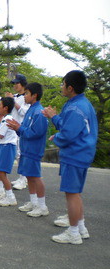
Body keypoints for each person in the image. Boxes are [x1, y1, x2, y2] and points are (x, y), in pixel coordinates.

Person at [43, 70, 98, 245]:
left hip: (75, 154)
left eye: (63, 84)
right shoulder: (81, 103)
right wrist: (54, 117)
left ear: (70, 87)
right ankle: (80, 227)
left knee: (72, 194)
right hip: (82, 153)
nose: (62, 86)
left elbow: (67, 134)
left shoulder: (75, 107)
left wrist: (56, 138)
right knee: (76, 193)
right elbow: (67, 125)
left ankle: (73, 233)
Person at [7, 82, 49, 217]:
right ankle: (33, 202)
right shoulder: (31, 109)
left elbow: (36, 133)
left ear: (34, 95)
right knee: (30, 177)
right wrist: (17, 127)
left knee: (36, 177)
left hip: (33, 150)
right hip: (26, 148)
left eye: (26, 93)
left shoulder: (39, 112)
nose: (24, 96)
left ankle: (42, 206)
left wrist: (19, 128)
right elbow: (25, 129)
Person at [5, 74, 30, 190]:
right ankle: (21, 177)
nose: (15, 85)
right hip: (12, 128)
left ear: (23, 84)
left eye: (17, 83)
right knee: (17, 154)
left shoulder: (27, 97)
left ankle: (24, 179)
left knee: (21, 153)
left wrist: (13, 101)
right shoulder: (15, 96)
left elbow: (24, 112)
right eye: (14, 84)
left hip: (21, 127)